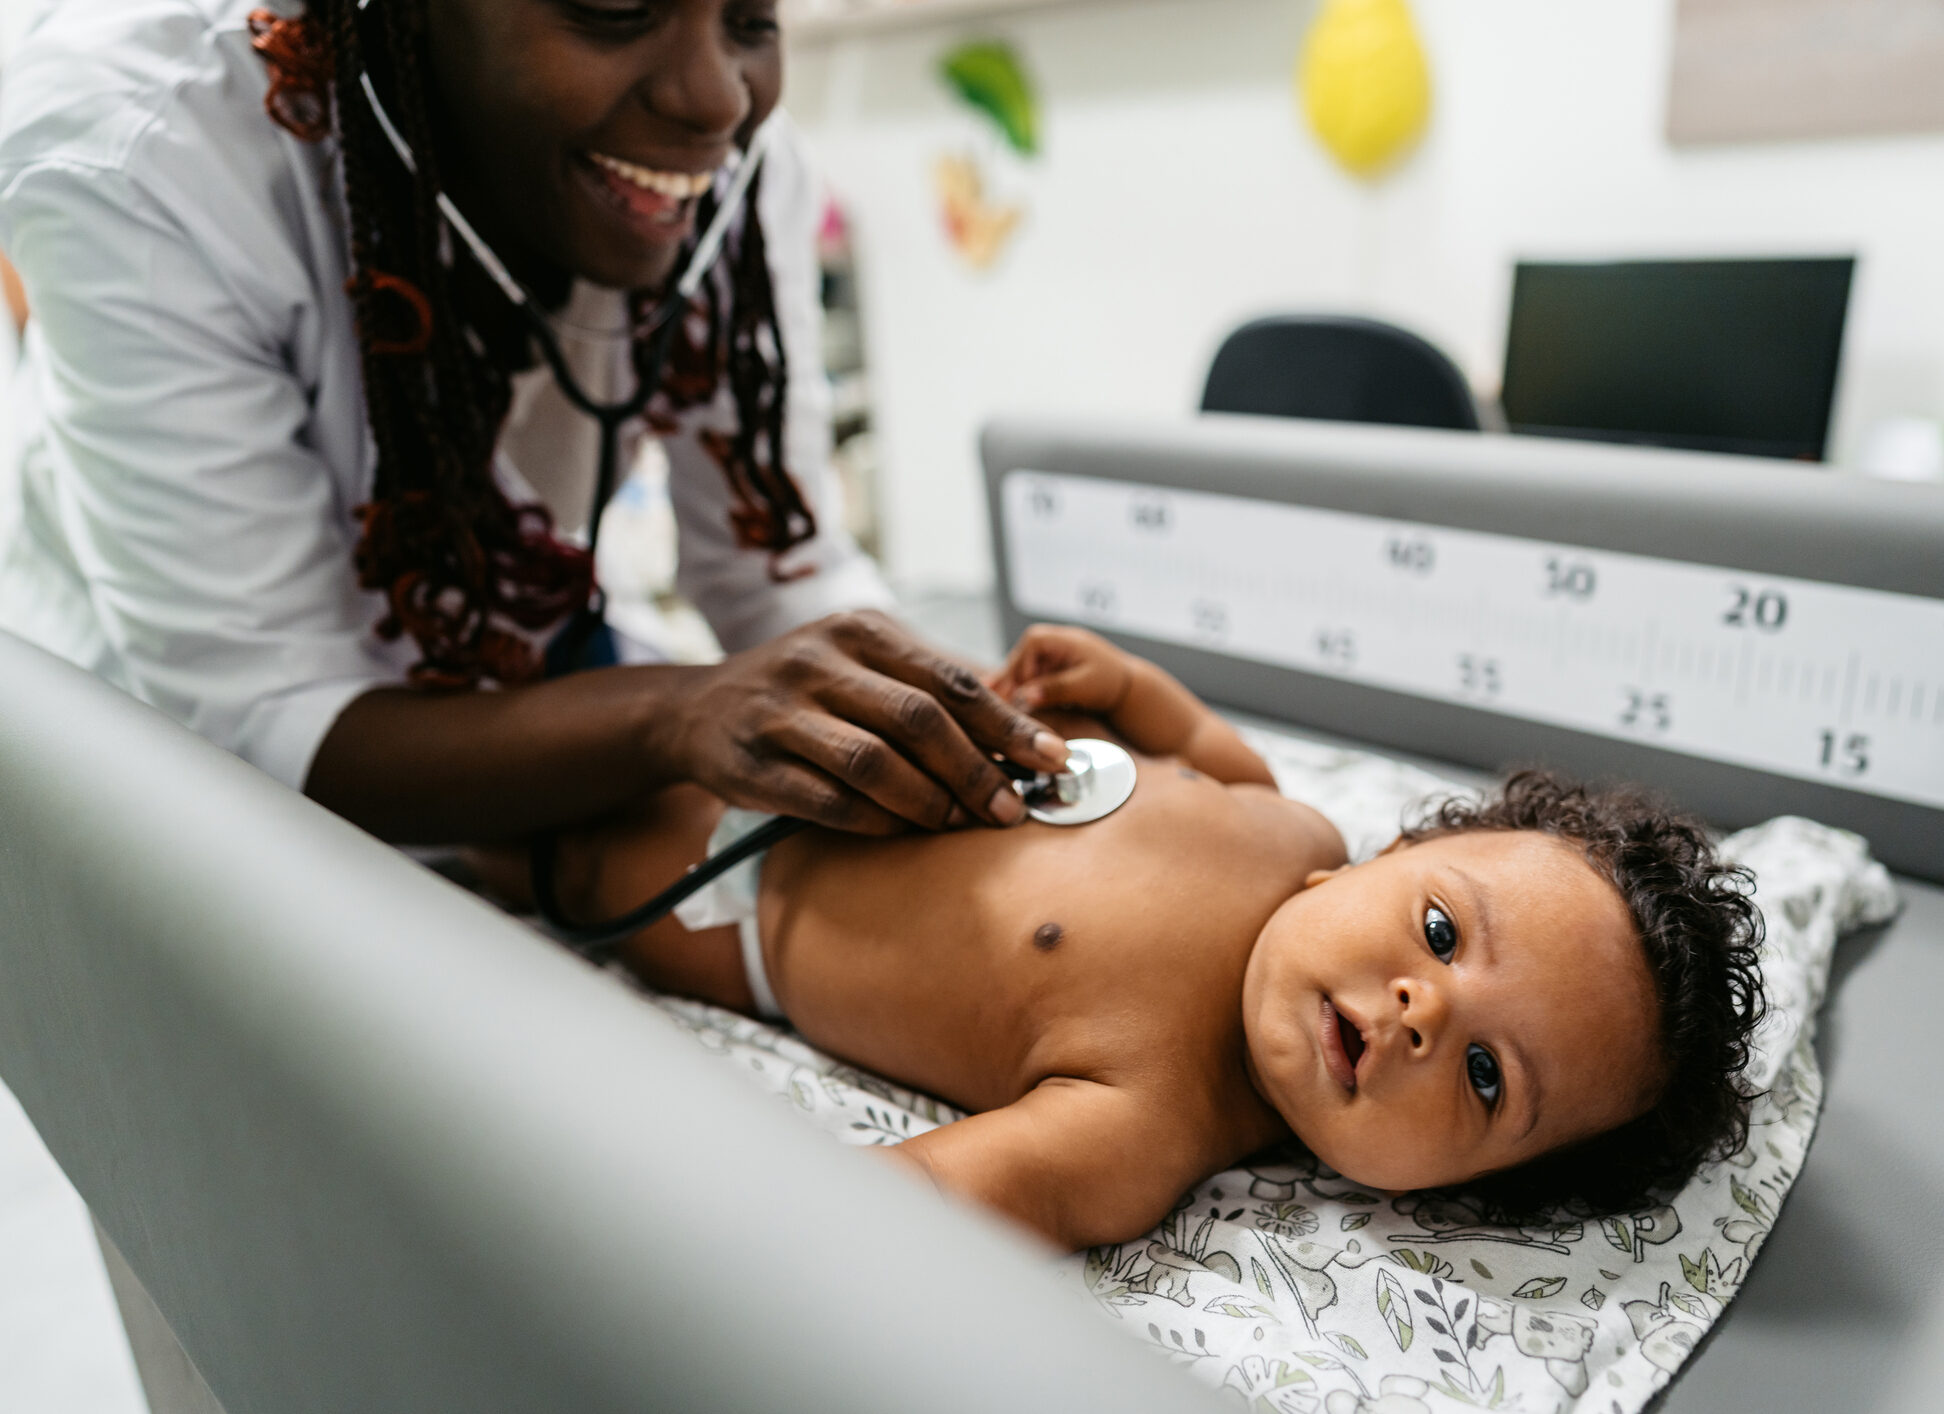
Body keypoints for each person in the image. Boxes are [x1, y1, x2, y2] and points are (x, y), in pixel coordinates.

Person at [0, 0, 1067, 848]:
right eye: (614, 7)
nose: (713, 99)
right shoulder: (142, 151)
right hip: (170, 754)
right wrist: (670, 713)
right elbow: (270, 721)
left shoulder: (737, 174)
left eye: (751, 18)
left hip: (491, 687)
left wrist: (978, 714)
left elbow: (775, 575)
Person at [503, 625, 1767, 1251]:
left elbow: (937, 1192)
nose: (1424, 1012)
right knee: (583, 684)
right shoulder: (1290, 824)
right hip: (829, 733)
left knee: (545, 840)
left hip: (728, 896)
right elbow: (1210, 757)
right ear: (1376, 857)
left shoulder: (1150, 1119)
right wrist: (1127, 686)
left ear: (1456, 1186)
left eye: (1489, 1076)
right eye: (1440, 928)